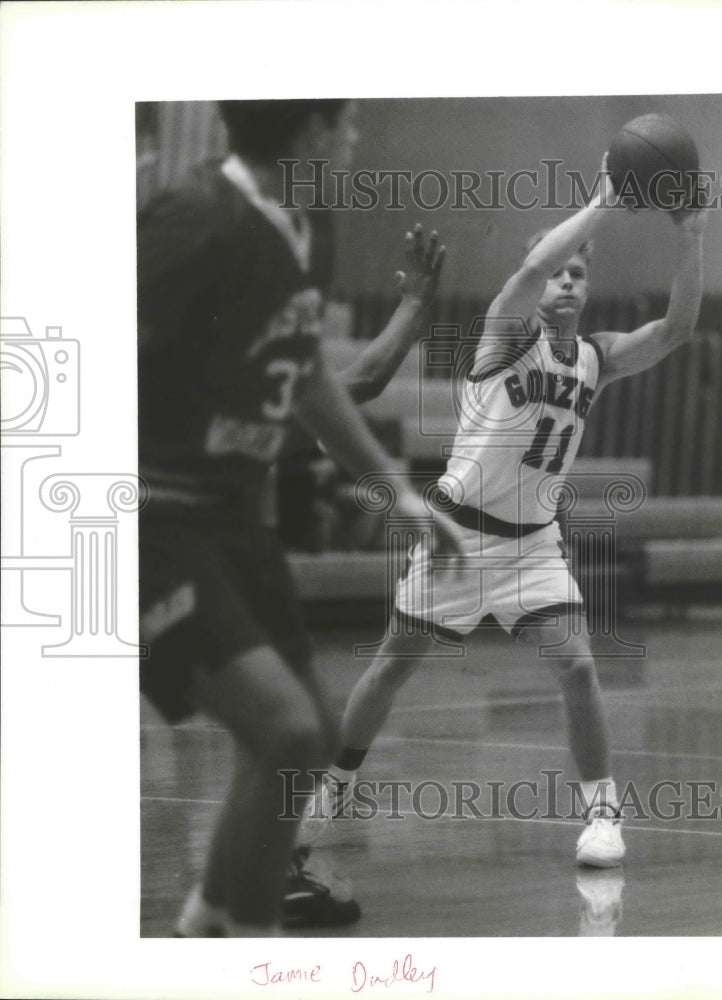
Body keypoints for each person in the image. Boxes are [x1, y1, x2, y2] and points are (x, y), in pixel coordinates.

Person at [300, 157, 709, 879]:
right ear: (531, 277)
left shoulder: (595, 358)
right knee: (393, 664)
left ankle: (602, 814)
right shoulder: (500, 334)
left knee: (578, 667)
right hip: (457, 537)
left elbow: (676, 329)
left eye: (580, 273)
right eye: (556, 269)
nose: (567, 279)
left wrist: (692, 234)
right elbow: (529, 274)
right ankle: (335, 785)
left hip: (531, 547)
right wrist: (602, 203)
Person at [137, 98, 464, 937]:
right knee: (282, 731)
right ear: (310, 131)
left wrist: (397, 490)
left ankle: (205, 926)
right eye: (345, 122)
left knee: (306, 736)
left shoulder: (307, 231)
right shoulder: (192, 220)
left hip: (237, 525)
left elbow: (314, 379)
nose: (354, 137)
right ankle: (255, 948)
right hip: (152, 517)